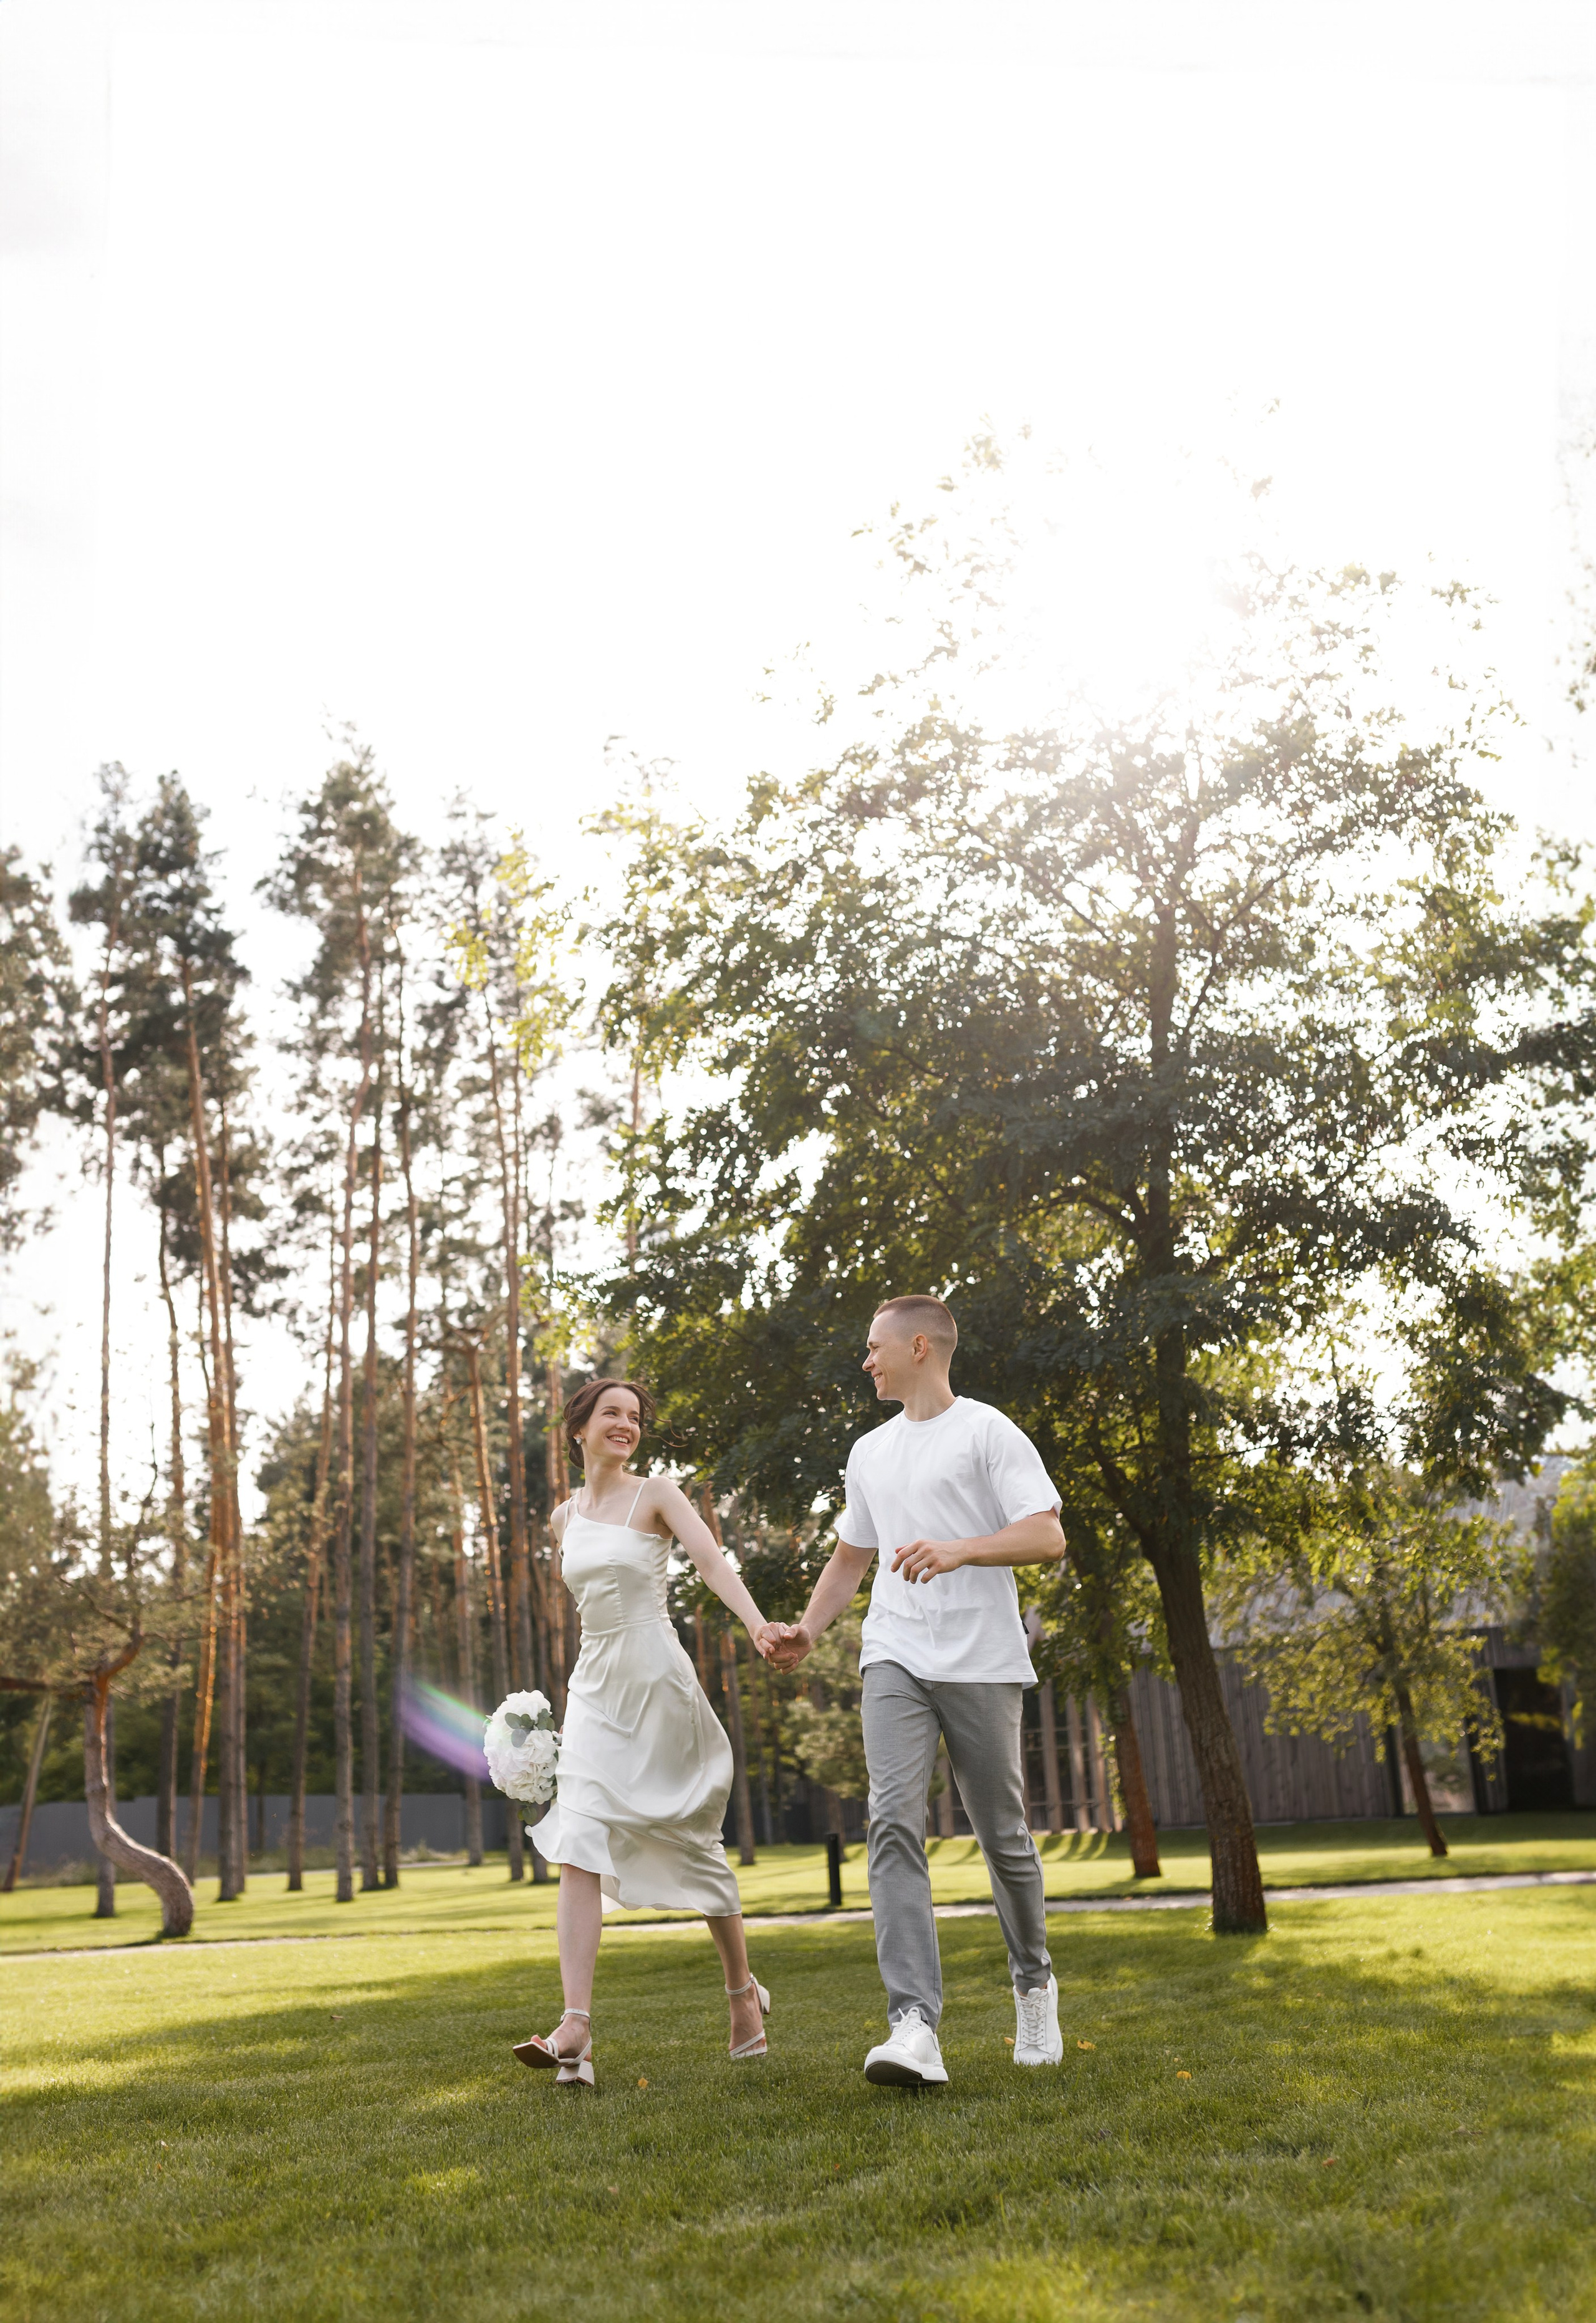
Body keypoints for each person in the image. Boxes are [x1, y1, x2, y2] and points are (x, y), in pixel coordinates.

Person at [766, 1297, 1067, 2087]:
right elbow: (849, 1557)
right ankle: (914, 2023)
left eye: (874, 1347)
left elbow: (1046, 1534)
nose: (865, 1360)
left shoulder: (987, 1431)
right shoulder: (868, 1450)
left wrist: (962, 1550)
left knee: (1003, 1834)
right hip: (894, 1653)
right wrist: (808, 1628)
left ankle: (1033, 1982)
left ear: (920, 1346)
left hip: (983, 1659)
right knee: (891, 1821)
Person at [511, 1377, 778, 2088]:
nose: (625, 1424)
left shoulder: (657, 1492)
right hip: (594, 1687)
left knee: (690, 1836)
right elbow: (584, 1608)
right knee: (578, 1839)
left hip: (658, 1680)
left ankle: (741, 1993)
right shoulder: (562, 1518)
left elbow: (713, 1561)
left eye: (634, 1416)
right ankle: (576, 2028)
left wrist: (756, 1625)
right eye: (611, 1414)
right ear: (579, 1428)